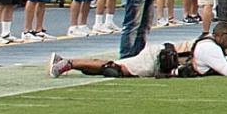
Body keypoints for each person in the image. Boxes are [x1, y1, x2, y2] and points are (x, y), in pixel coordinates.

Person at [50, 34, 184, 80]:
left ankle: (67, 62)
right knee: (116, 68)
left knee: (115, 67)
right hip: (159, 58)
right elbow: (172, 48)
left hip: (161, 57)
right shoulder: (201, 49)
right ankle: (69, 63)